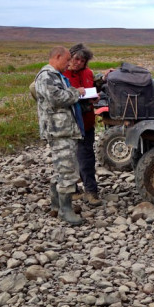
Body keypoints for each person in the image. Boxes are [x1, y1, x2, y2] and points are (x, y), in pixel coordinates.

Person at [35, 46, 86, 226]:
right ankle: (66, 210)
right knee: (66, 169)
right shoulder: (46, 76)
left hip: (63, 129)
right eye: (66, 61)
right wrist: (76, 92)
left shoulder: (55, 76)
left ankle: (56, 205)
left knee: (62, 167)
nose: (68, 65)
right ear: (57, 57)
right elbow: (57, 98)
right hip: (59, 131)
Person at [63, 43, 102, 207]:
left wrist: (95, 97)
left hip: (86, 122)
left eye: (82, 60)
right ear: (70, 57)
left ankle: (91, 191)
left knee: (87, 157)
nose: (78, 62)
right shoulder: (61, 75)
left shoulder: (88, 73)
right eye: (76, 59)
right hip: (68, 124)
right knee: (68, 158)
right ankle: (72, 190)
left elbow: (93, 89)